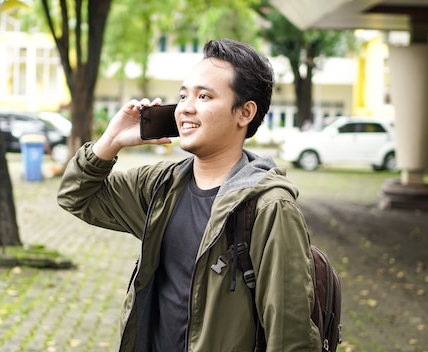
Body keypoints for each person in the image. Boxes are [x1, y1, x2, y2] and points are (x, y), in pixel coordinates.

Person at [57, 39, 321, 351]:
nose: (186, 107)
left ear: (245, 112)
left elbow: (289, 334)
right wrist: (111, 141)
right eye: (183, 96)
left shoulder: (269, 208)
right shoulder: (161, 186)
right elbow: (76, 196)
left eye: (204, 96)